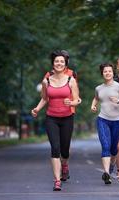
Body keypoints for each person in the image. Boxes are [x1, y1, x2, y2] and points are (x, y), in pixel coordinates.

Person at [31, 50, 81, 191]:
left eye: (62, 62)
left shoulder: (71, 80)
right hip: (51, 118)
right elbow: (44, 98)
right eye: (56, 61)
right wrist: (36, 109)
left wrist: (71, 103)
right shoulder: (46, 81)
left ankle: (65, 165)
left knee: (65, 150)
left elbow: (77, 100)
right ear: (53, 64)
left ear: (65, 64)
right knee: (55, 148)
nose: (59, 63)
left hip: (67, 118)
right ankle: (57, 180)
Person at [91, 63, 119, 185]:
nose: (107, 73)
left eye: (109, 71)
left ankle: (112, 165)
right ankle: (106, 173)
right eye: (105, 71)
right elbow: (96, 98)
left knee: (114, 149)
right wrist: (93, 105)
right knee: (105, 146)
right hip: (103, 119)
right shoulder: (99, 88)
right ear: (102, 73)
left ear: (113, 73)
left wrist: (118, 101)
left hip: (117, 121)